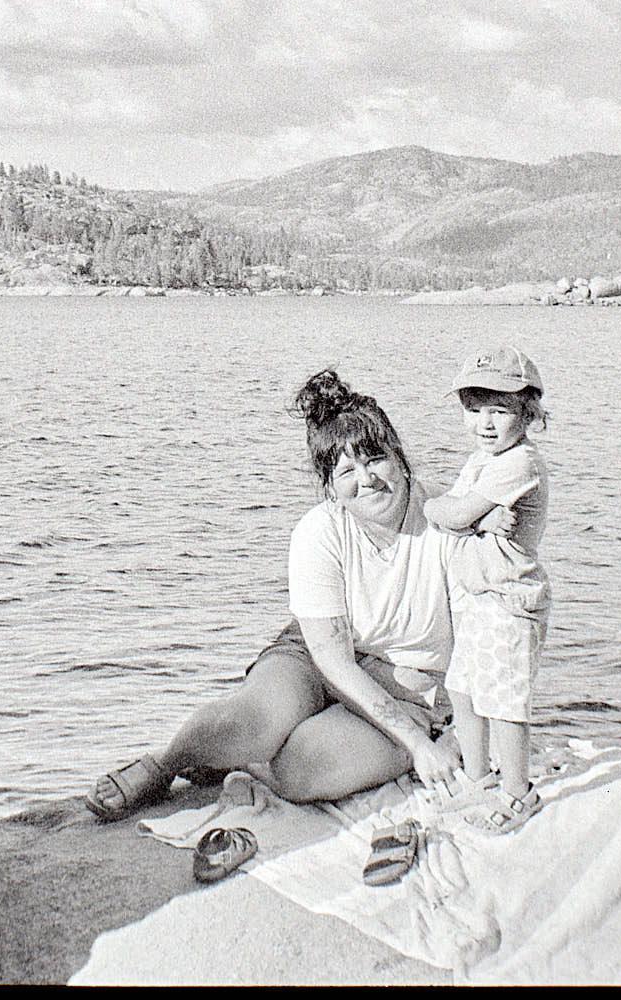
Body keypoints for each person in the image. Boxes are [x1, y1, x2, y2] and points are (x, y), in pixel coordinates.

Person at [82, 368, 462, 825]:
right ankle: (164, 765)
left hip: (409, 686)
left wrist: (441, 737)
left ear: (400, 457)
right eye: (346, 471)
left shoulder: (449, 517)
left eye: (375, 458)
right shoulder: (319, 532)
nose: (367, 479)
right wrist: (417, 747)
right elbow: (334, 660)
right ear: (330, 488)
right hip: (316, 655)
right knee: (250, 722)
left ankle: (235, 760)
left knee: (299, 770)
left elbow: (504, 625)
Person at [424, 344, 551, 833]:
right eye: (474, 410)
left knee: (503, 700)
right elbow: (453, 505)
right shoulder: (482, 460)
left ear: (529, 411)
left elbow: (449, 513)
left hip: (509, 600)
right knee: (463, 688)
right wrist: (469, 515)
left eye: (500, 410)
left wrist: (459, 516)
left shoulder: (520, 463)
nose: (485, 423)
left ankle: (519, 793)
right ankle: (478, 778)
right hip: (478, 597)